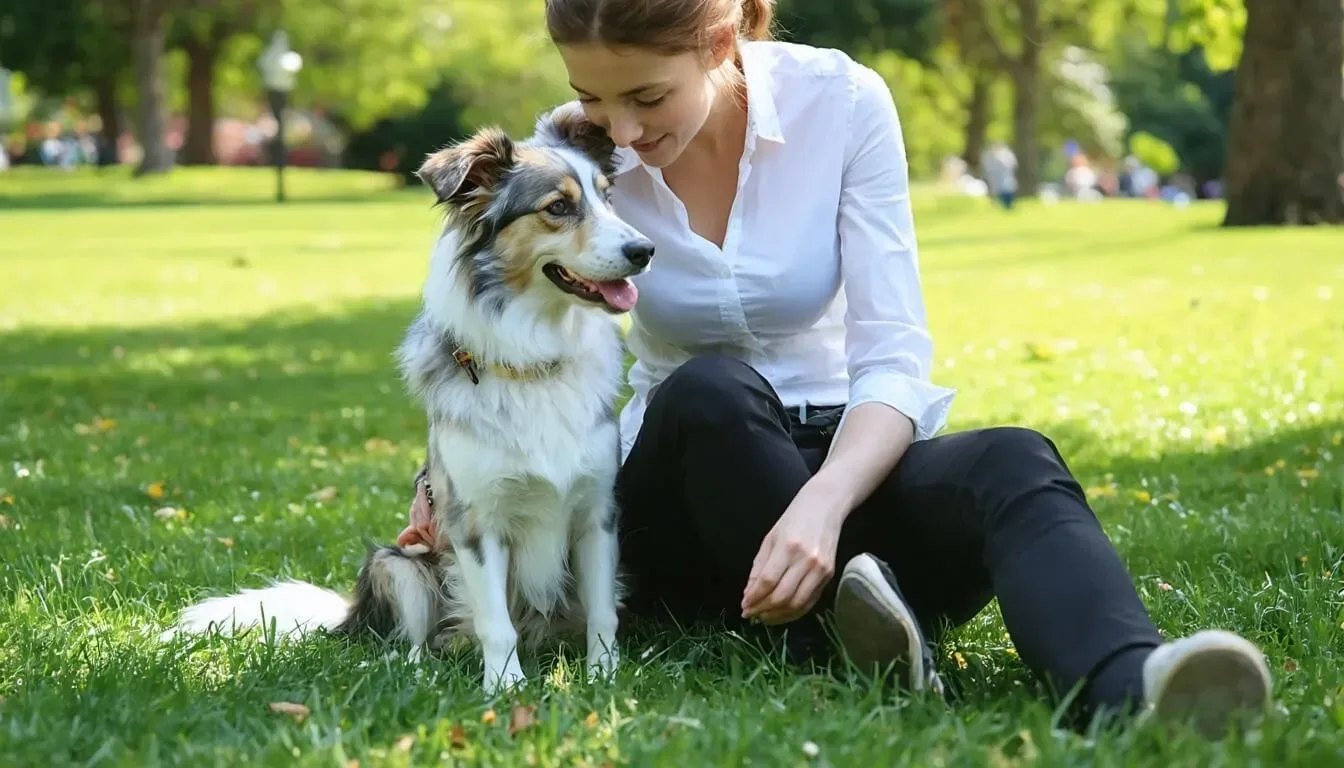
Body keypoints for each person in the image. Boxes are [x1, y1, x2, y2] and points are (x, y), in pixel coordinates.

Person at [398, 0, 1273, 737]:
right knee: (710, 387)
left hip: (838, 459)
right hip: (694, 488)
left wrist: (823, 503)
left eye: (646, 96)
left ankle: (1132, 687)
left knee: (1014, 457)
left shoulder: (843, 104)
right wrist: (447, 470)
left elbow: (893, 352)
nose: (619, 129)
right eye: (592, 95)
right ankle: (870, 625)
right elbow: (495, 306)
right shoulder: (573, 155)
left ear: (720, 41)